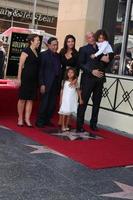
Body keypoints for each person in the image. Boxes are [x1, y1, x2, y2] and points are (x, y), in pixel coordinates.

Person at [76, 32, 110, 133]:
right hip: (87, 79)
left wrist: (107, 61)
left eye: (93, 36)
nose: (92, 38)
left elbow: (106, 62)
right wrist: (92, 71)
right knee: (83, 102)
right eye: (89, 37)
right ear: (87, 39)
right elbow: (80, 64)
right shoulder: (83, 49)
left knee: (97, 103)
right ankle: (79, 125)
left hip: (99, 79)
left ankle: (93, 124)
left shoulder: (102, 47)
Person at [36, 37, 61, 128]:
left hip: (55, 83)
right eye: (54, 45)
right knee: (44, 103)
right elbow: (40, 71)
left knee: (52, 104)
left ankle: (47, 120)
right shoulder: (43, 55)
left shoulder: (58, 56)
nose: (56, 46)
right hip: (46, 83)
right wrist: (42, 83)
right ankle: (39, 121)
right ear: (49, 45)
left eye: (57, 45)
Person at [17, 34, 40, 127]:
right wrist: (18, 78)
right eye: (37, 40)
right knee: (22, 99)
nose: (38, 42)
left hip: (34, 80)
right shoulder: (25, 51)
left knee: (30, 99)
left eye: (38, 40)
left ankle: (27, 119)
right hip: (25, 78)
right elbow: (20, 66)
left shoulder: (37, 52)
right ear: (32, 41)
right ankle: (20, 118)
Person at [58, 34, 79, 127]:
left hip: (71, 79)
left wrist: (75, 79)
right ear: (66, 42)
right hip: (62, 76)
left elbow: (77, 68)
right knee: (62, 98)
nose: (70, 43)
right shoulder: (62, 51)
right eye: (69, 41)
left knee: (69, 99)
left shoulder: (76, 54)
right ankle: (60, 119)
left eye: (72, 41)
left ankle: (67, 121)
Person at [59, 67, 83, 131]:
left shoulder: (75, 82)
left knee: (69, 113)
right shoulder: (64, 81)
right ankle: (63, 125)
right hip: (65, 99)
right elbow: (61, 90)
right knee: (64, 112)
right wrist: (60, 99)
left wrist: (80, 99)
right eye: (69, 72)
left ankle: (67, 125)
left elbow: (78, 90)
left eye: (72, 73)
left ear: (74, 74)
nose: (70, 74)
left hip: (71, 99)